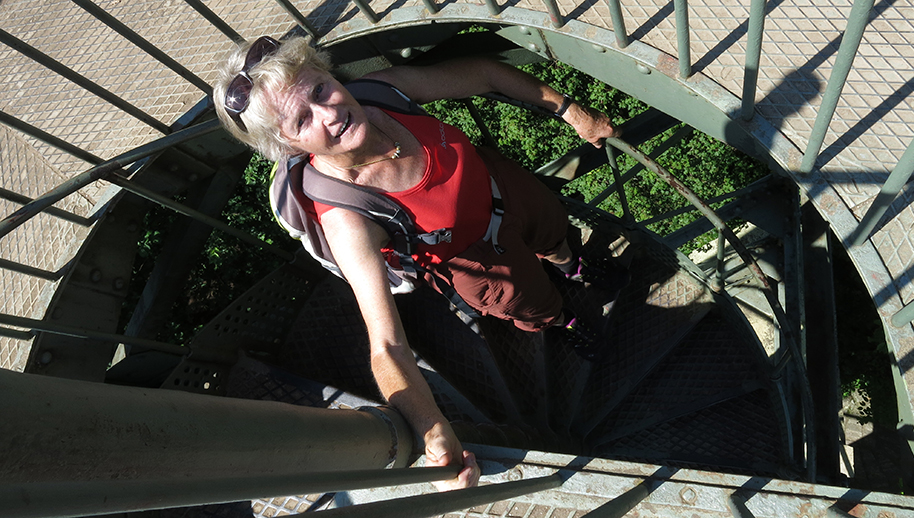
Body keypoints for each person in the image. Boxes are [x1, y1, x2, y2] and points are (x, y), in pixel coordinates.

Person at [213, 35, 620, 490]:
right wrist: (432, 431)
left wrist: (570, 110)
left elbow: (485, 73)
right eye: (303, 118)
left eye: (320, 89)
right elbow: (386, 347)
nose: (330, 113)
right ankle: (563, 321)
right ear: (287, 142)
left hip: (503, 187)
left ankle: (572, 266)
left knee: (554, 233)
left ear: (331, 75)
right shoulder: (348, 217)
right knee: (533, 302)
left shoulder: (381, 93)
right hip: (476, 264)